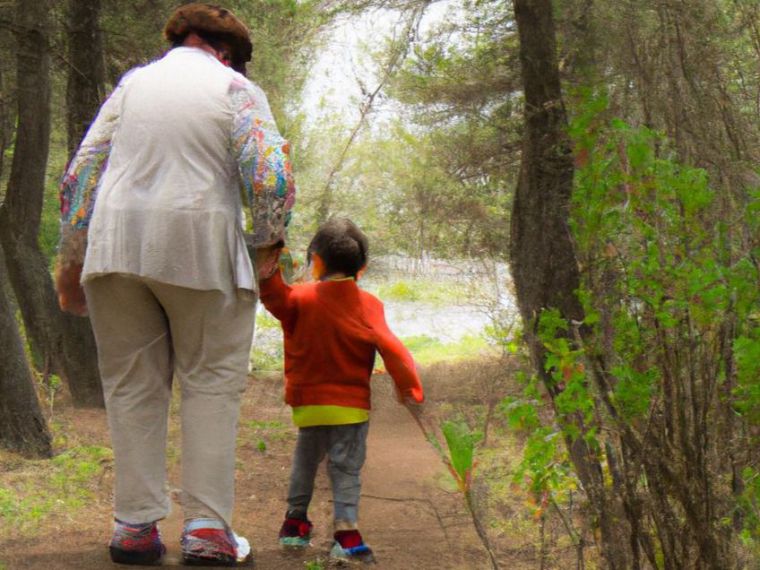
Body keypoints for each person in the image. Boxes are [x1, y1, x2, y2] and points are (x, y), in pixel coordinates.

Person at [55, 3, 295, 566]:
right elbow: (271, 175)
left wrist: (70, 262)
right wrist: (265, 254)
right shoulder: (236, 89)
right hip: (200, 245)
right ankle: (208, 531)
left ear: (179, 40)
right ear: (226, 51)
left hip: (114, 246)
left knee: (131, 385)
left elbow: (82, 173)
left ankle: (135, 527)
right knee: (210, 382)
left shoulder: (133, 85)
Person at [258, 218, 424, 564]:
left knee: (305, 463)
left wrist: (270, 258)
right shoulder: (368, 305)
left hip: (309, 405)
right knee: (345, 469)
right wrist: (409, 389)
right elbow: (392, 348)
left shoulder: (299, 298)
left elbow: (272, 295)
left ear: (315, 260)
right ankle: (347, 534)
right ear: (362, 266)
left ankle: (294, 525)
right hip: (350, 408)